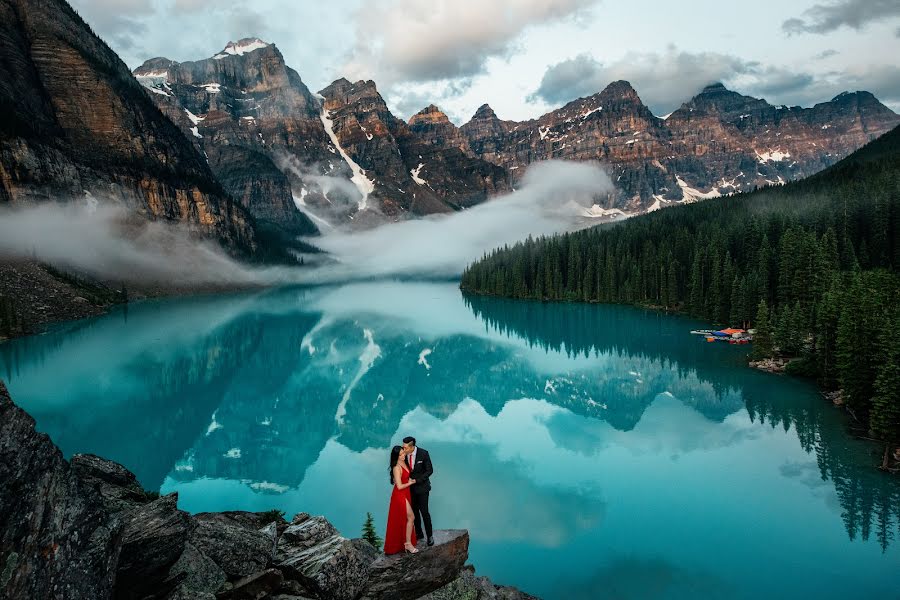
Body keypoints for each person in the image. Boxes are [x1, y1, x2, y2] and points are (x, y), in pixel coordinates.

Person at [383, 445, 418, 554]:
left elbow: (405, 476)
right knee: (411, 517)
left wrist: (408, 479)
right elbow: (399, 486)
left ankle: (406, 543)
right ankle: (407, 543)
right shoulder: (396, 468)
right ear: (396, 456)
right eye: (400, 455)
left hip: (405, 493)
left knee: (406, 518)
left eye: (403, 453)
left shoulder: (404, 462)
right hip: (399, 495)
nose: (403, 456)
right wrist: (410, 483)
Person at [402, 436, 434, 546]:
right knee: (414, 513)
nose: (403, 449)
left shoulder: (423, 453)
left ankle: (430, 536)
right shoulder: (404, 455)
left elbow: (430, 470)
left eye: (405, 447)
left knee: (425, 513)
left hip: (422, 488)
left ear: (412, 446)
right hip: (410, 489)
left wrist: (417, 480)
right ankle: (419, 533)